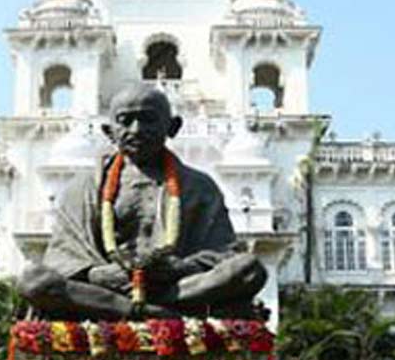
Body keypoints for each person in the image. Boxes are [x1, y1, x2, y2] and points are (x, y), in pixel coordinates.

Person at [19, 83, 266, 320]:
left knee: (249, 268)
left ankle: (141, 309)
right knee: (33, 280)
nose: (136, 130)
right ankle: (143, 312)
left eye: (148, 119)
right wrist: (96, 274)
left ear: (172, 127)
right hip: (106, 289)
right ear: (109, 132)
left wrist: (178, 268)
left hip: (177, 286)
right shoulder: (84, 187)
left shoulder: (199, 186)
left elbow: (223, 253)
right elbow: (62, 257)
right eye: (125, 121)